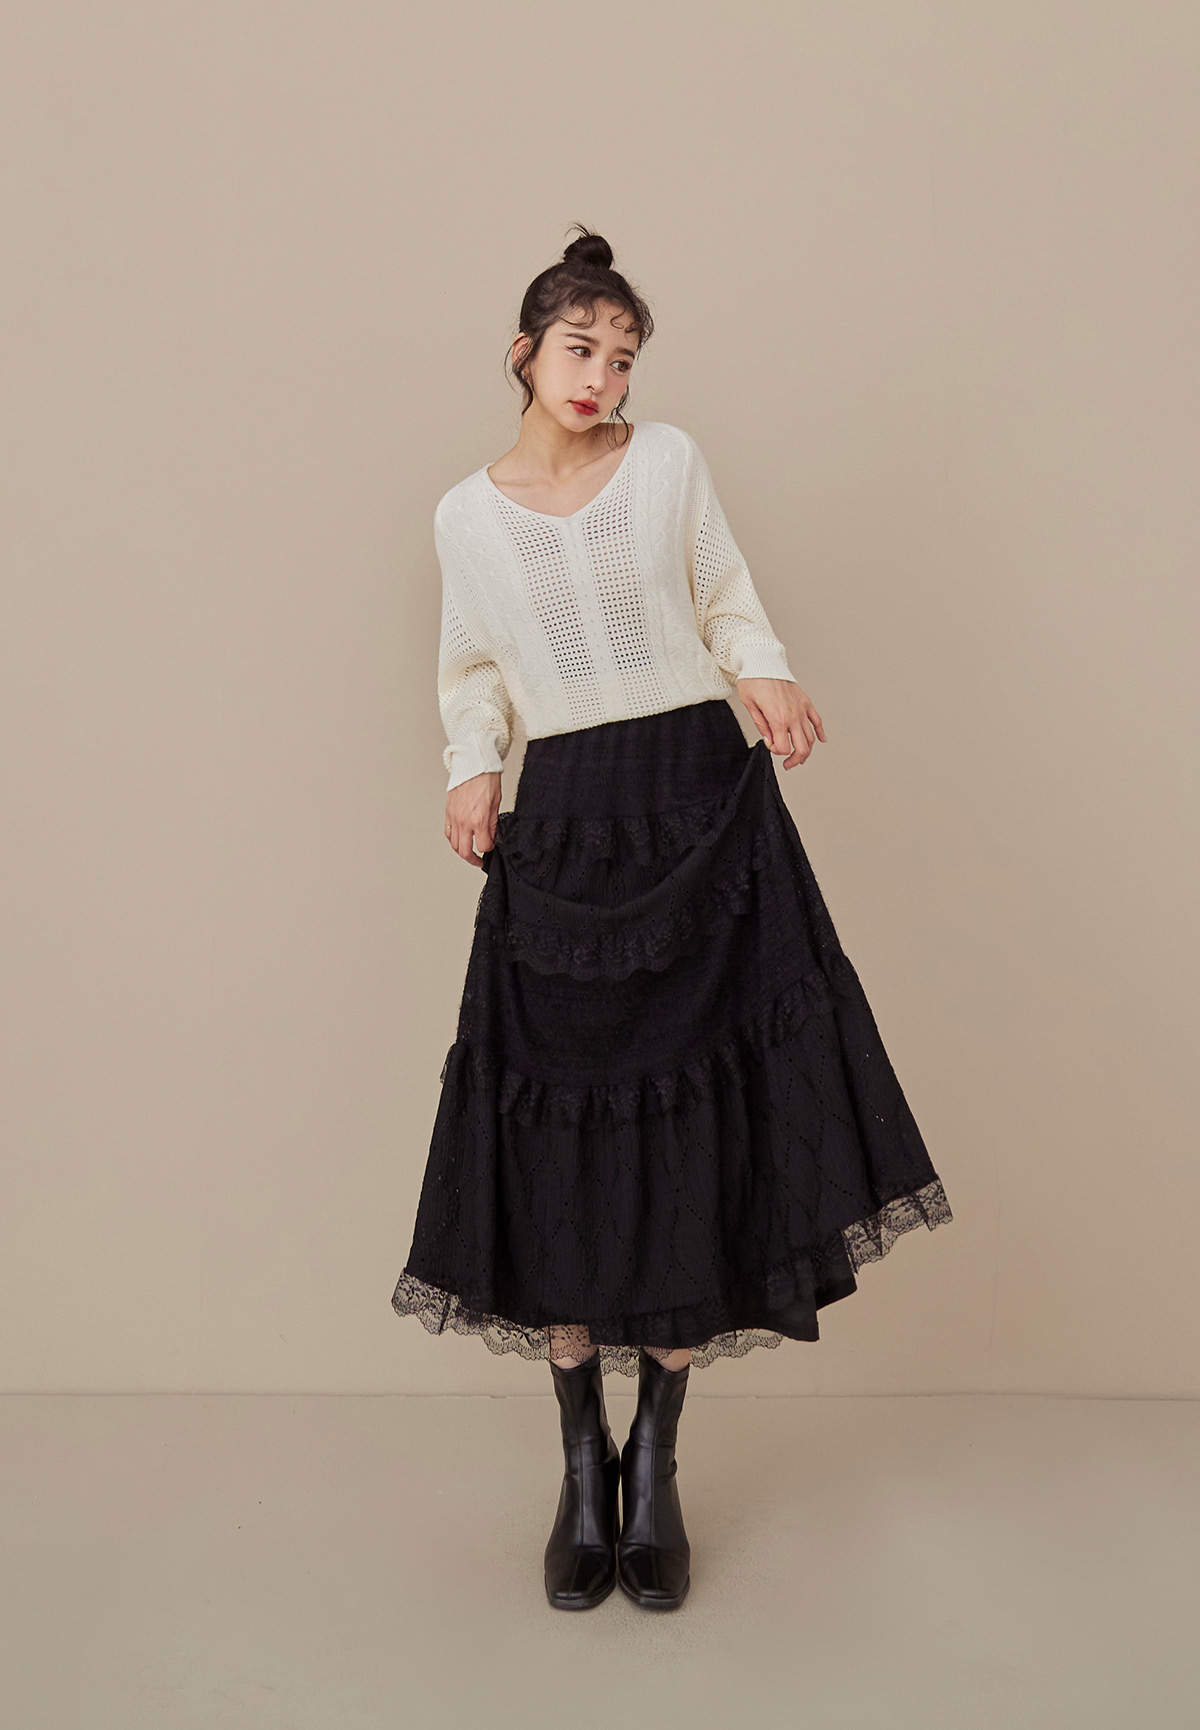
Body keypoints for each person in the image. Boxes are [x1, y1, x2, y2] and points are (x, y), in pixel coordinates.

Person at [392, 225, 953, 1613]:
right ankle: (581, 1465)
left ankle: (657, 1460)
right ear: (525, 352)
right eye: (581, 347)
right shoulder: (465, 516)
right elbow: (473, 666)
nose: (603, 375)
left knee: (706, 1120)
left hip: (702, 803)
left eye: (625, 356)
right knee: (564, 1129)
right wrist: (471, 765)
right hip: (569, 821)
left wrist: (764, 670)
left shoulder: (669, 464)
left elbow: (722, 595)